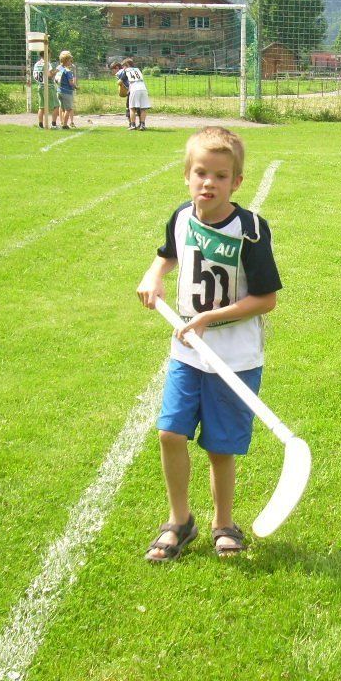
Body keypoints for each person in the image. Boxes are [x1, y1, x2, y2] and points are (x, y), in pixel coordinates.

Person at [136, 126, 282, 562]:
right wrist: (154, 275)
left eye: (220, 176)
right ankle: (179, 521)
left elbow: (266, 299)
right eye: (201, 173)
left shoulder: (250, 230)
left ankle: (224, 524)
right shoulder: (182, 216)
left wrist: (209, 319)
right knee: (170, 432)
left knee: (220, 447)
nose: (209, 184)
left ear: (236, 182)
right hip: (188, 354)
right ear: (187, 175)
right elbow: (168, 252)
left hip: (234, 357)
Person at [118, 58, 151, 130]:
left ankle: (133, 125)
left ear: (127, 65)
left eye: (123, 66)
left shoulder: (127, 70)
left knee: (132, 108)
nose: (123, 68)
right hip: (143, 88)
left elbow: (119, 82)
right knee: (143, 108)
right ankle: (142, 125)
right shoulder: (138, 70)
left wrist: (121, 86)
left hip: (135, 88)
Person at [54, 50, 77, 129]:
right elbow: (71, 83)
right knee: (68, 109)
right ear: (67, 61)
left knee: (63, 109)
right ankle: (65, 125)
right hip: (67, 92)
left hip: (59, 91)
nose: (71, 62)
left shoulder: (59, 69)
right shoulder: (68, 71)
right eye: (70, 60)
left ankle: (62, 122)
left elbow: (55, 79)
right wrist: (76, 87)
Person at [32, 50, 53, 127]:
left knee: (41, 106)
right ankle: (54, 124)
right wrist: (56, 72)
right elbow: (49, 75)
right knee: (55, 106)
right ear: (46, 54)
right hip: (47, 86)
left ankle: (40, 124)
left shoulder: (37, 64)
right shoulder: (47, 63)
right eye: (49, 54)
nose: (50, 56)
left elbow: (35, 75)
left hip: (40, 86)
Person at [110, 60, 131, 127]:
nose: (112, 72)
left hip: (131, 91)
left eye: (112, 70)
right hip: (138, 89)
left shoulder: (119, 73)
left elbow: (123, 84)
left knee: (129, 108)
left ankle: (131, 124)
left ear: (117, 68)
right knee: (138, 108)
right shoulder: (126, 71)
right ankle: (141, 124)